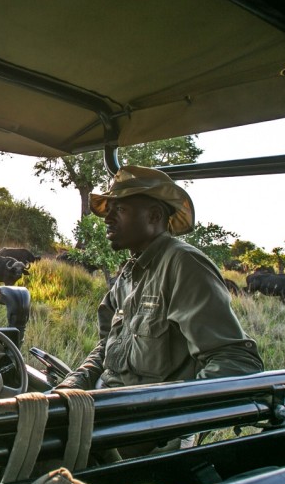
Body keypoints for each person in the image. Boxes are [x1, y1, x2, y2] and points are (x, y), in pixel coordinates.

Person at [58, 166, 263, 455]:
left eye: (120, 209)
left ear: (154, 216)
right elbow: (107, 348)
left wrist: (160, 424)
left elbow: (236, 362)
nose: (108, 217)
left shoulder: (183, 265)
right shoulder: (131, 272)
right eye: (109, 209)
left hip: (143, 435)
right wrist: (70, 387)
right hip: (103, 411)